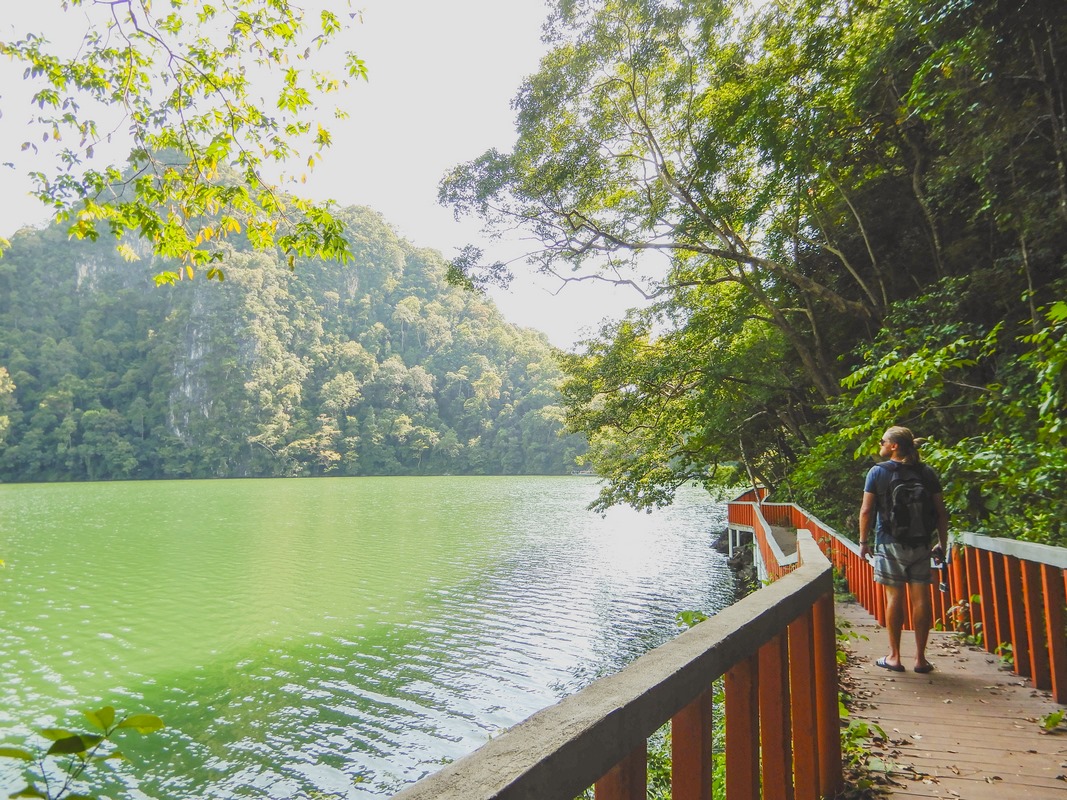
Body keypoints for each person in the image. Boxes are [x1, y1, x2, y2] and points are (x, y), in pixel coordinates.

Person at [858, 426, 949, 673]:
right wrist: (942, 542)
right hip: (921, 543)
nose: (881, 444)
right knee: (921, 600)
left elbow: (867, 511)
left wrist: (863, 542)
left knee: (894, 597)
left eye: (883, 441)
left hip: (889, 542)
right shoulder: (926, 472)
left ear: (894, 446)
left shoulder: (878, 472)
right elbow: (941, 512)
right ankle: (920, 659)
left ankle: (895, 656)